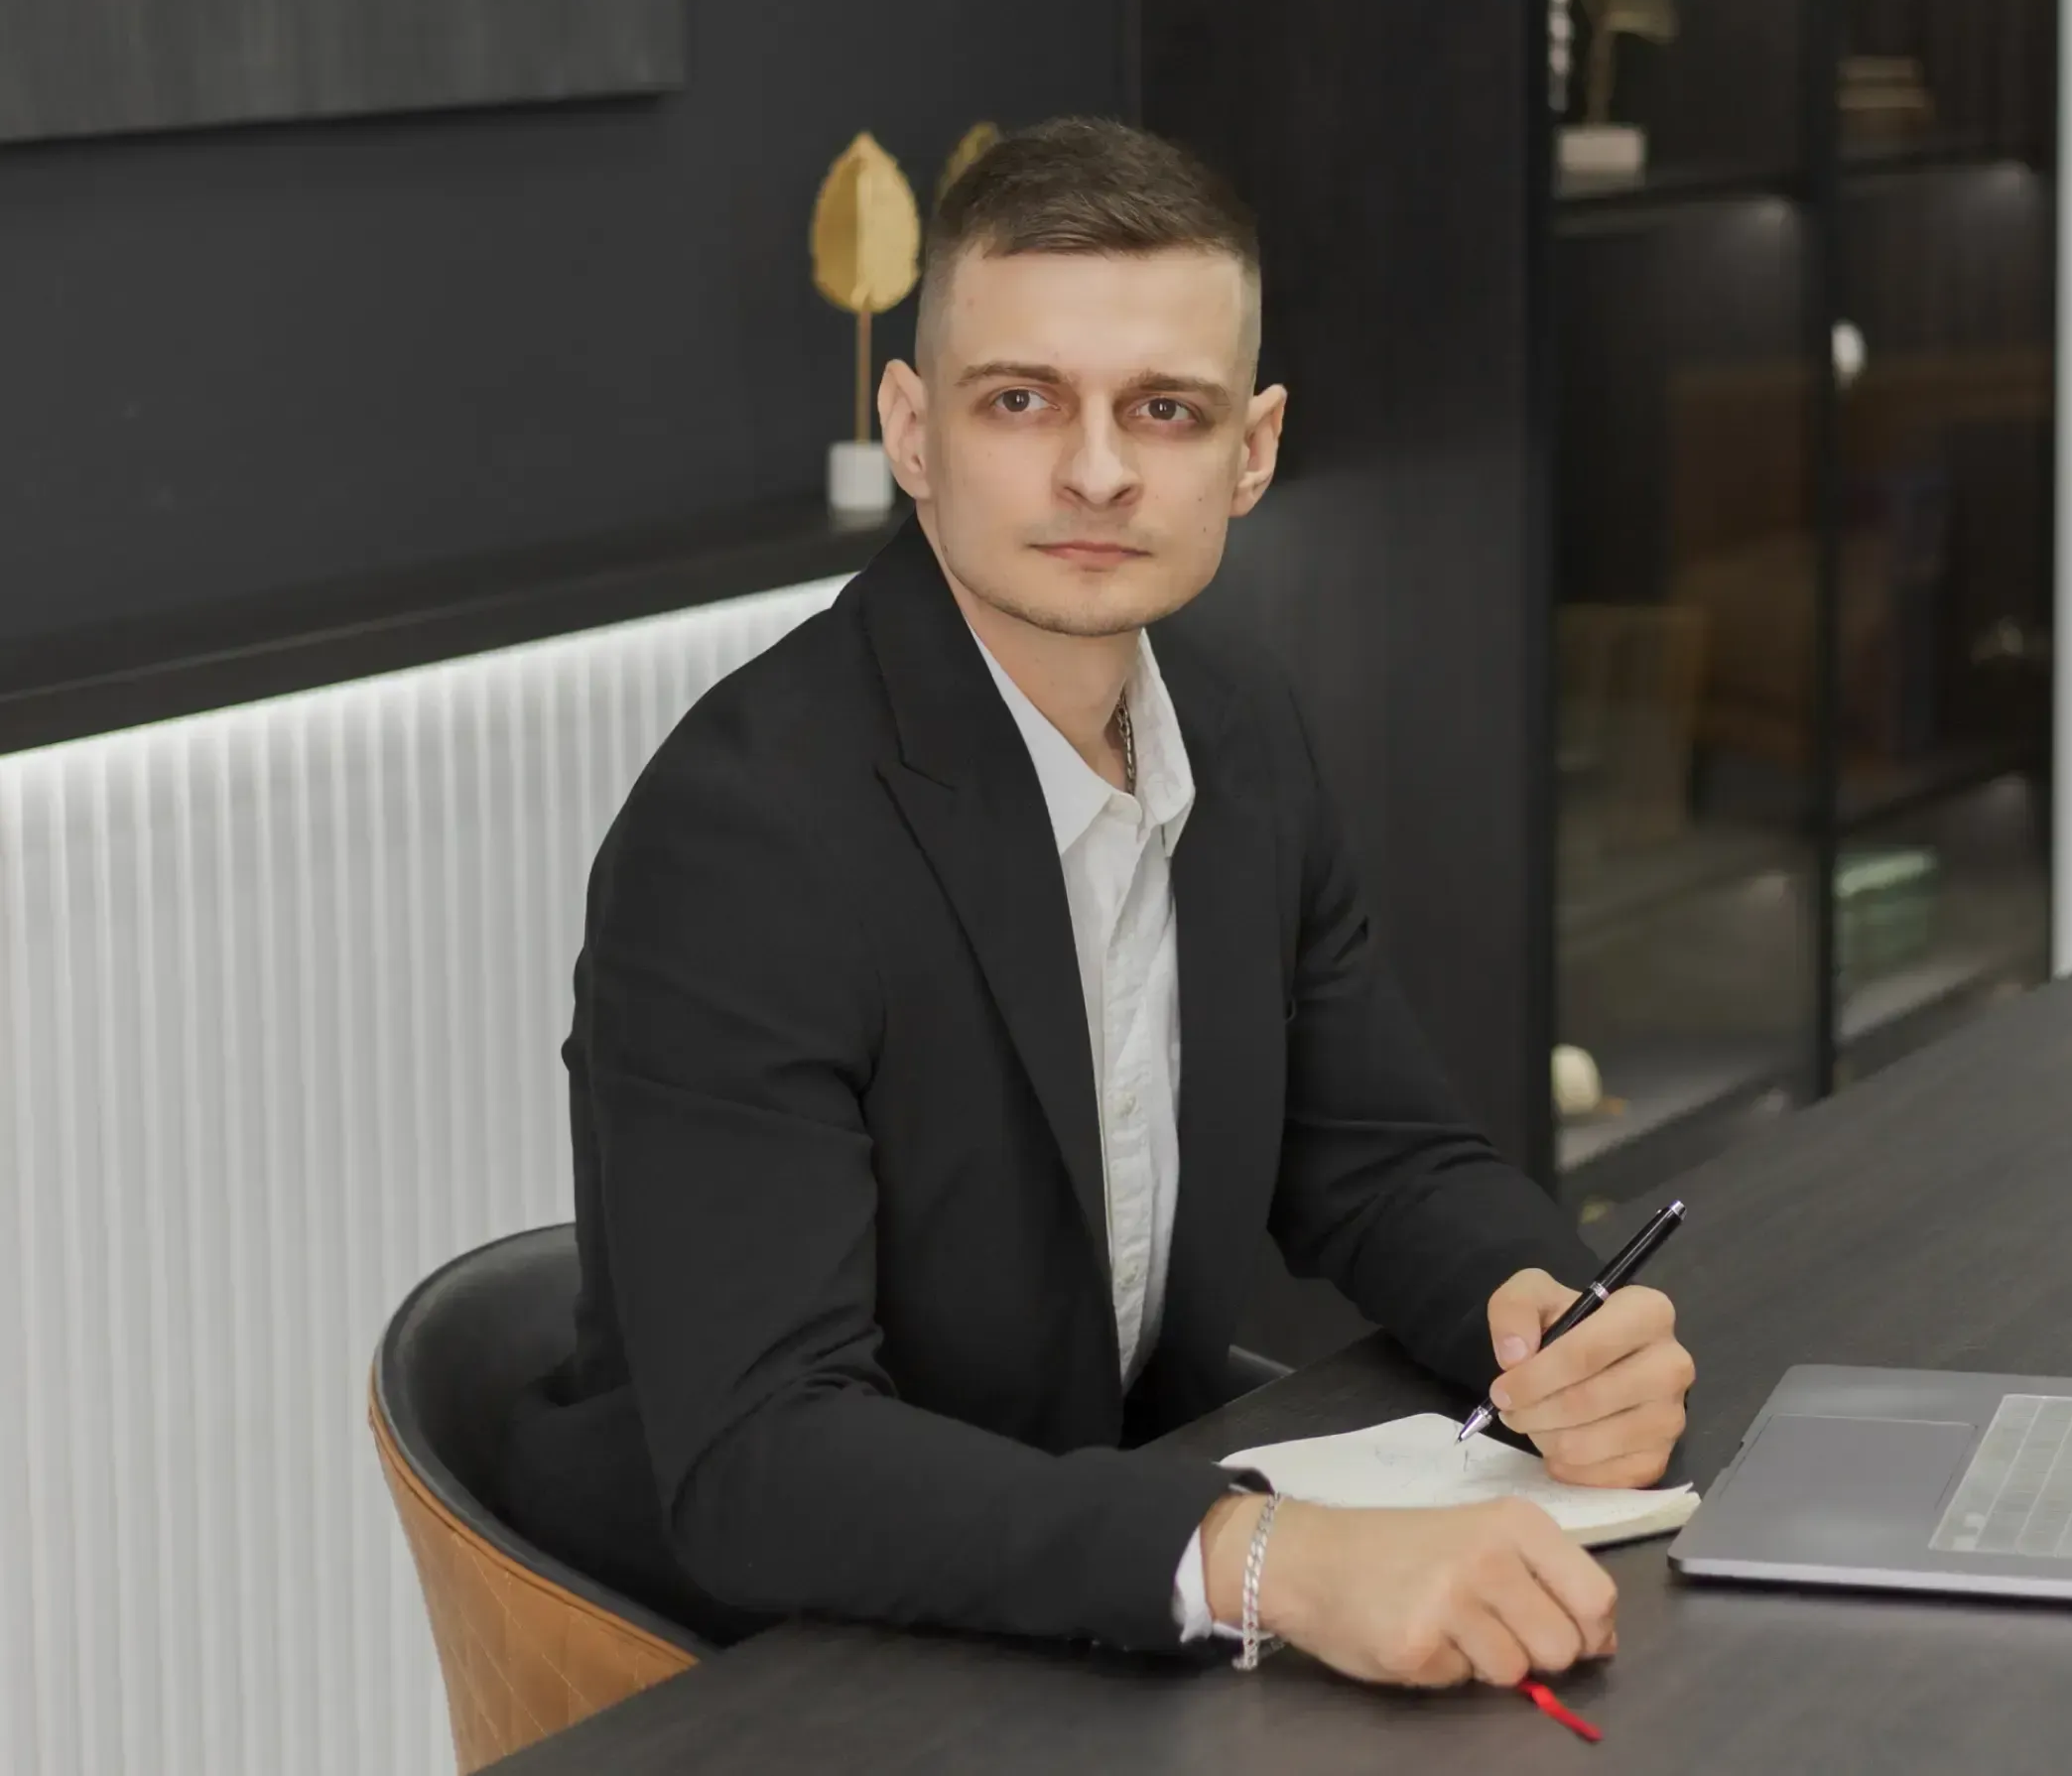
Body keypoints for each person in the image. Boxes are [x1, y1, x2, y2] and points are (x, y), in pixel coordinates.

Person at [499, 116, 1694, 1690]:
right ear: (912, 430)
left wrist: (1542, 1324)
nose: (1097, 470)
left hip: (1099, 1569)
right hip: (780, 1656)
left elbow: (1380, 1158)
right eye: (1022, 400)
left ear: (1252, 450)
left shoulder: (1238, 727)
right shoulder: (743, 833)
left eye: (1164, 409)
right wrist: (1261, 1561)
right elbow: (763, 1459)